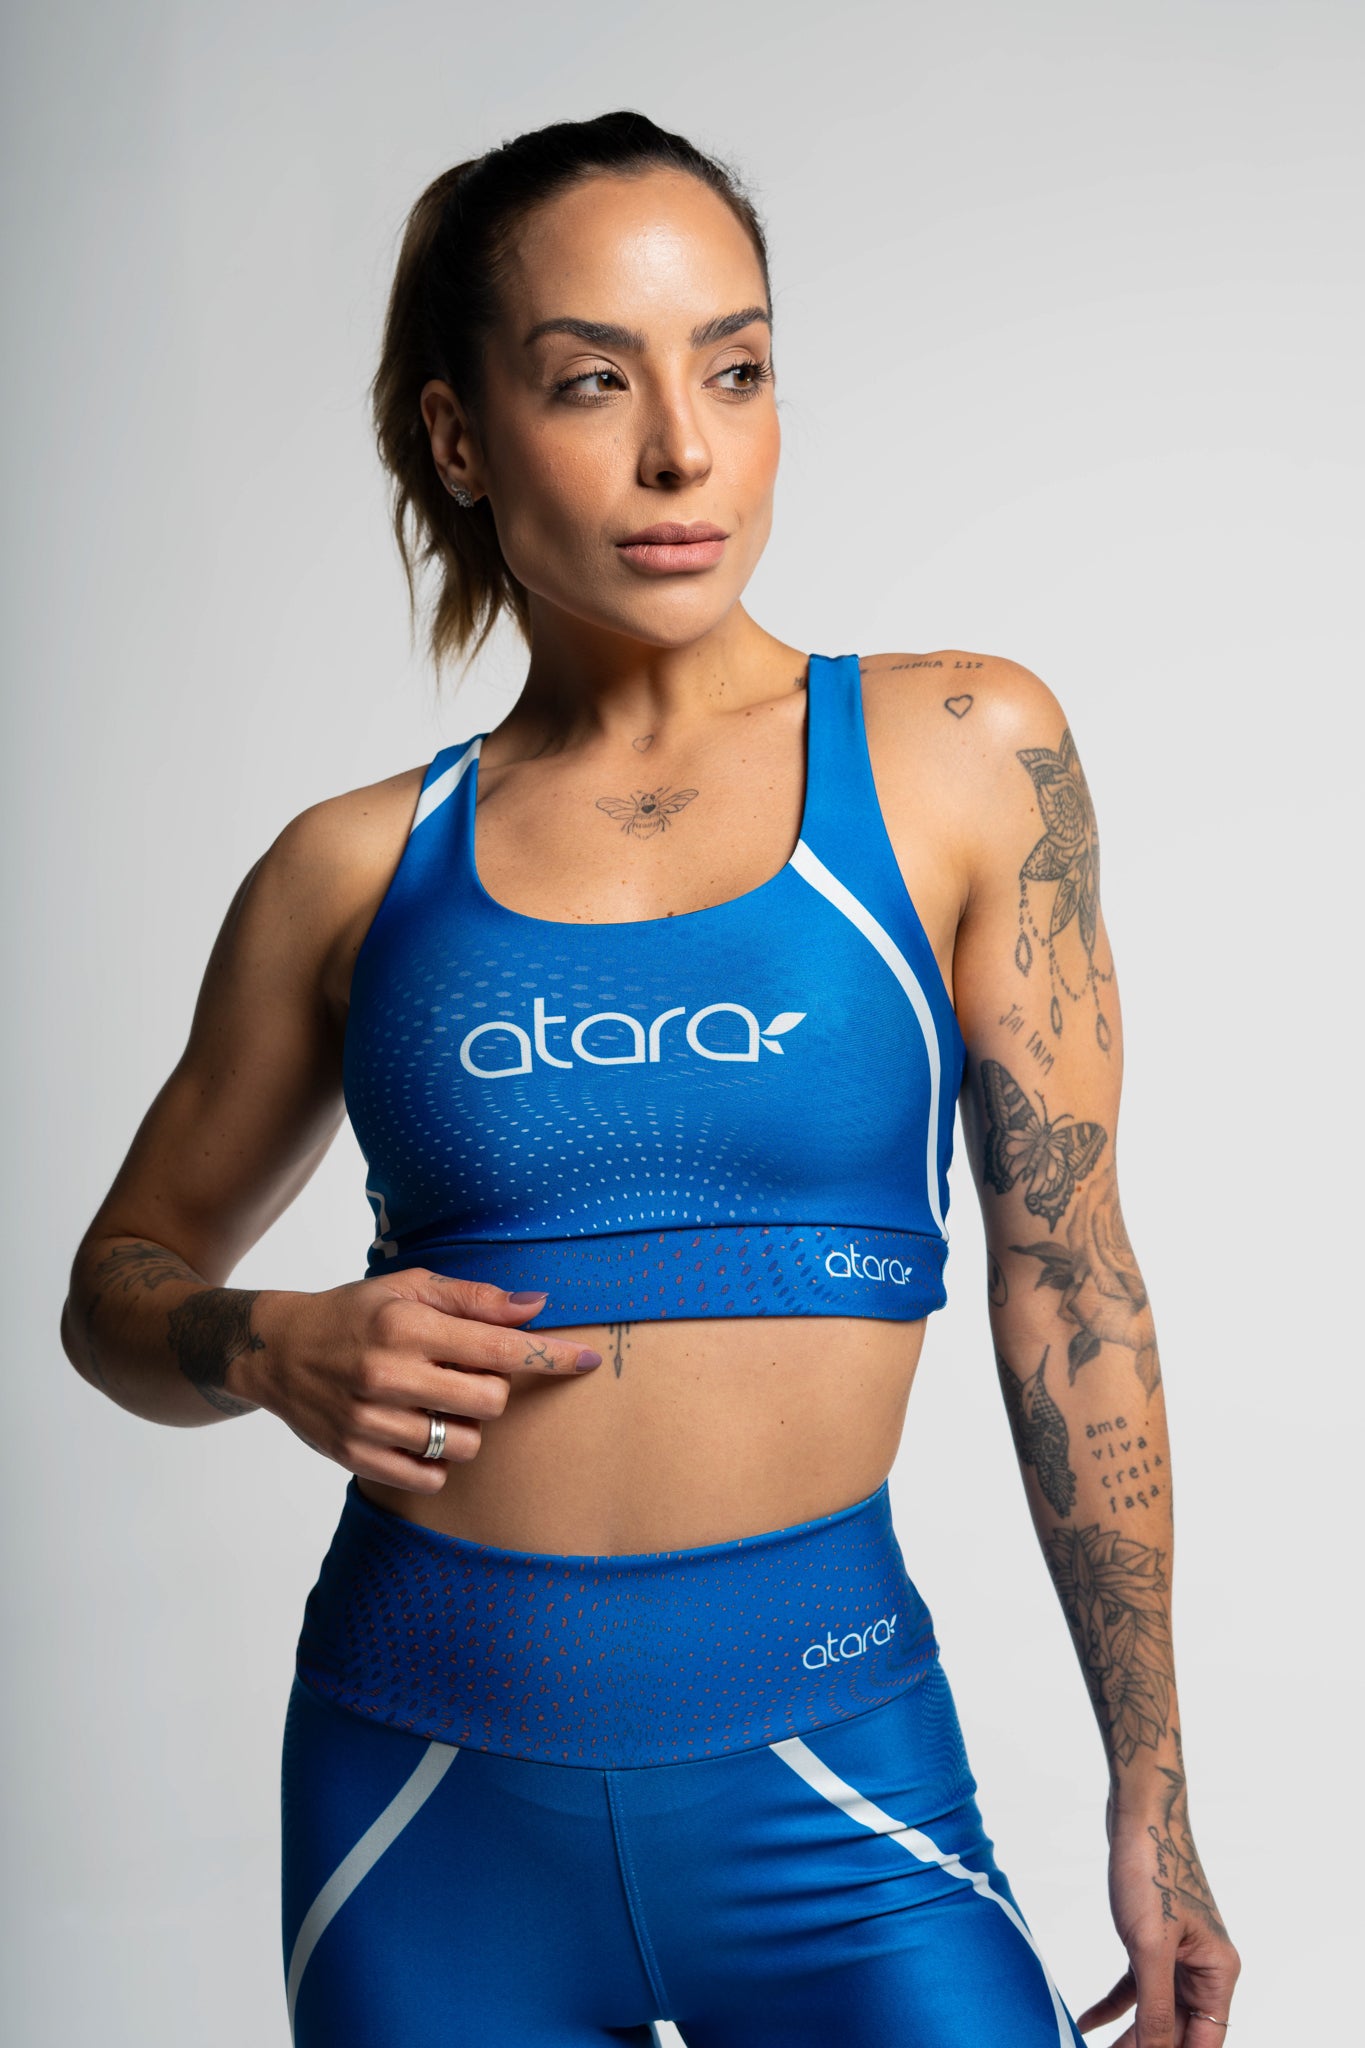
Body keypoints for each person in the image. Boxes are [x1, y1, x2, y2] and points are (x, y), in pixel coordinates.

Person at [60, 109, 1240, 2047]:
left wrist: (1154, 1791)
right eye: (593, 381)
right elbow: (115, 1284)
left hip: (836, 1789)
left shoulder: (960, 751)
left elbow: (1071, 1281)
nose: (683, 450)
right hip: (421, 1806)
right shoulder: (349, 871)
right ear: (460, 437)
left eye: (736, 369)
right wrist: (268, 1344)